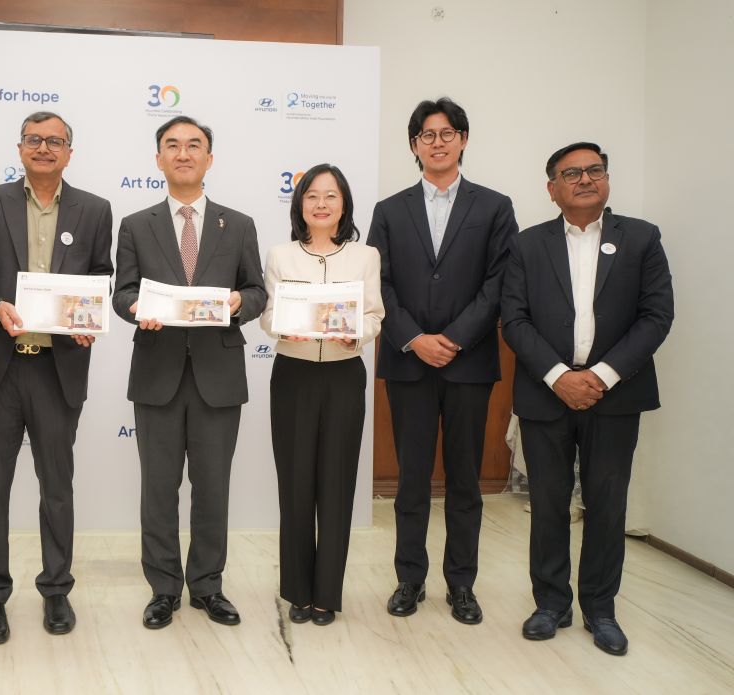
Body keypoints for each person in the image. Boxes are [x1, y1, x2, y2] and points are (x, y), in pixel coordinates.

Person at [502, 142, 673, 656]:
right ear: (551, 188)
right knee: (548, 503)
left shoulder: (641, 238)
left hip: (615, 395)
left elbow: (656, 316)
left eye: (594, 170)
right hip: (545, 393)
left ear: (607, 179)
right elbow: (515, 319)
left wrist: (600, 375)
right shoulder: (527, 245)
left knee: (607, 504)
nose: (584, 179)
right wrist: (559, 376)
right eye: (571, 173)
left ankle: (601, 608)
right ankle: (551, 604)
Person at [367, 98, 517, 625]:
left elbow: (500, 281)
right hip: (408, 363)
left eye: (447, 133)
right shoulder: (389, 210)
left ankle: (461, 584)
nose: (437, 142)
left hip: (468, 363)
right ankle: (409, 579)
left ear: (463, 139)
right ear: (414, 145)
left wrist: (452, 338)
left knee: (464, 480)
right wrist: (413, 338)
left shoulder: (494, 207)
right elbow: (378, 282)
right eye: (427, 135)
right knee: (411, 479)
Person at [112, 116, 265, 629]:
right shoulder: (136, 225)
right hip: (157, 374)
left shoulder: (237, 224)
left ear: (209, 158)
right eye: (172, 146)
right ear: (158, 159)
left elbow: (257, 290)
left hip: (218, 377)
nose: (183, 153)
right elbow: (122, 292)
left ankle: (207, 586)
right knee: (158, 490)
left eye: (194, 145)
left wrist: (241, 302)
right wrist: (136, 309)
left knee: (213, 488)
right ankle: (163, 589)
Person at [0, 112, 113, 644]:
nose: (44, 148)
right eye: (34, 139)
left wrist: (87, 318)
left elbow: (101, 276)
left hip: (58, 369)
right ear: (20, 148)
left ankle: (56, 589)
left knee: (57, 488)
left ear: (70, 152)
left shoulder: (95, 209)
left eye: (55, 141)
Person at [259, 164, 384, 625]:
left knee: (337, 484)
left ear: (344, 204)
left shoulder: (365, 256)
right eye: (312, 196)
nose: (321, 204)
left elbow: (374, 315)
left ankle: (327, 593)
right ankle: (297, 591)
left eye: (331, 196)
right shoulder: (280, 255)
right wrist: (285, 324)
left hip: (343, 375)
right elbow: (266, 315)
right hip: (292, 375)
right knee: (295, 485)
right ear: (300, 204)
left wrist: (357, 334)